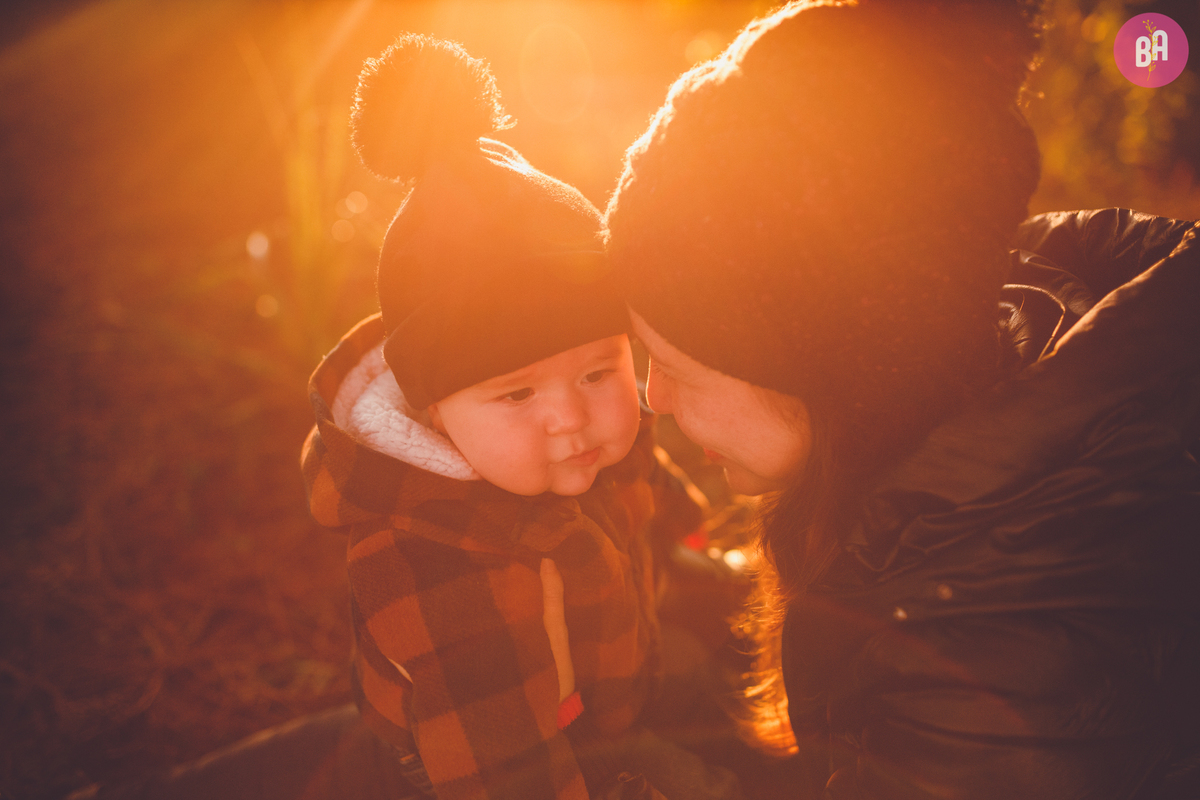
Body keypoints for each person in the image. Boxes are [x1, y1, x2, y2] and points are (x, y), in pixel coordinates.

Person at [603, 1, 1200, 798]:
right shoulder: (1005, 340)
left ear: (838, 368)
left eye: (680, 366)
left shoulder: (991, 653)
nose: (655, 397)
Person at [300, 35, 742, 800]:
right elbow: (498, 766)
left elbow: (649, 494)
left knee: (721, 675)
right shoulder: (430, 557)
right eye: (516, 394)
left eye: (599, 370)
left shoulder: (596, 439)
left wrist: (690, 539)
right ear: (434, 411)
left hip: (611, 673)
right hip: (490, 750)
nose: (571, 417)